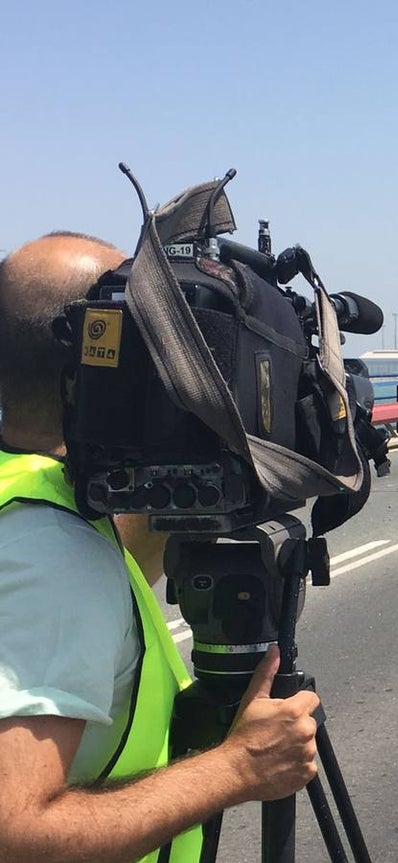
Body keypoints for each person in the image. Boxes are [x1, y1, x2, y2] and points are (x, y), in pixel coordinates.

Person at [0, 233, 321, 862]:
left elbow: (123, 561)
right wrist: (238, 768)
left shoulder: (32, 494)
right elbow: (15, 834)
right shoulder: (54, 553)